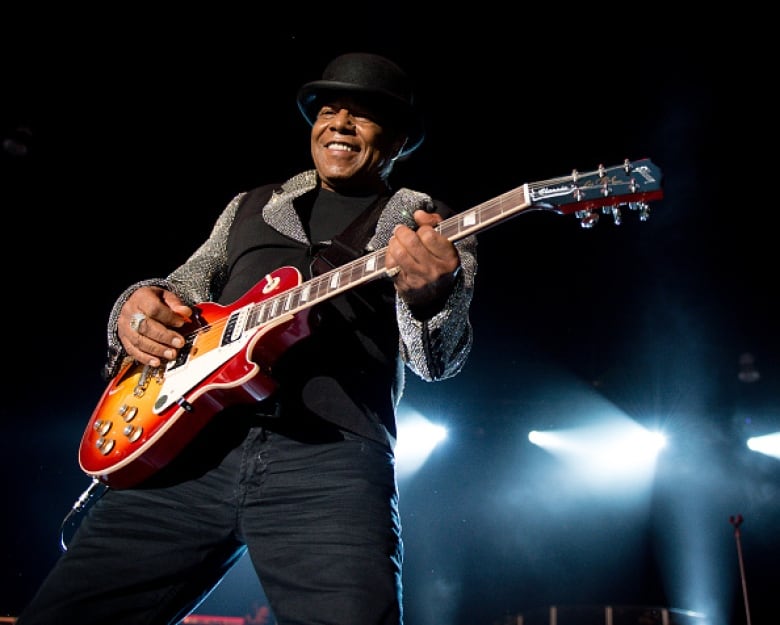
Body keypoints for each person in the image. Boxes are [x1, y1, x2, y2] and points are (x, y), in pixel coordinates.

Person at [17, 51, 477, 625]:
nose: (339, 123)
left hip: (329, 462)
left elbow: (438, 361)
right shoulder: (252, 206)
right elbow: (177, 289)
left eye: (362, 115)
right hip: (190, 448)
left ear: (399, 138)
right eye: (329, 110)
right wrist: (135, 309)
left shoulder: (429, 225)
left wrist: (430, 297)